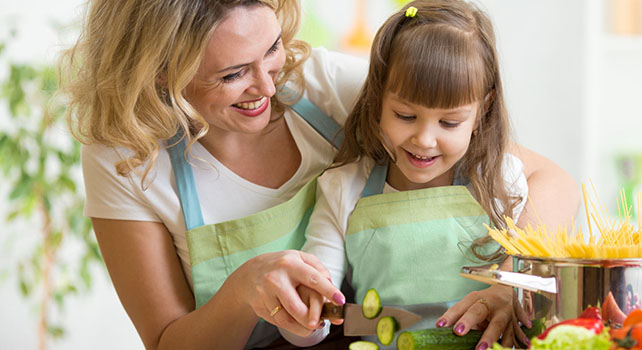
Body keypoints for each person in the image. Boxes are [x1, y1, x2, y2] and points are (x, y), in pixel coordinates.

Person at [60, 0, 578, 349]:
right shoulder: (124, 155)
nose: (267, 84)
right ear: (158, 72)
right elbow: (168, 339)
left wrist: (516, 282)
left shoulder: (324, 85)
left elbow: (549, 180)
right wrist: (244, 292)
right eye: (233, 73)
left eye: (271, 49)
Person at [281, 1, 580, 349]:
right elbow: (309, 319)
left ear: (482, 111)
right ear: (378, 101)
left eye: (449, 123)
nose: (424, 139)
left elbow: (545, 273)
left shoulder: (502, 179)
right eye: (405, 116)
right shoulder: (343, 188)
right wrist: (304, 313)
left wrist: (512, 287)